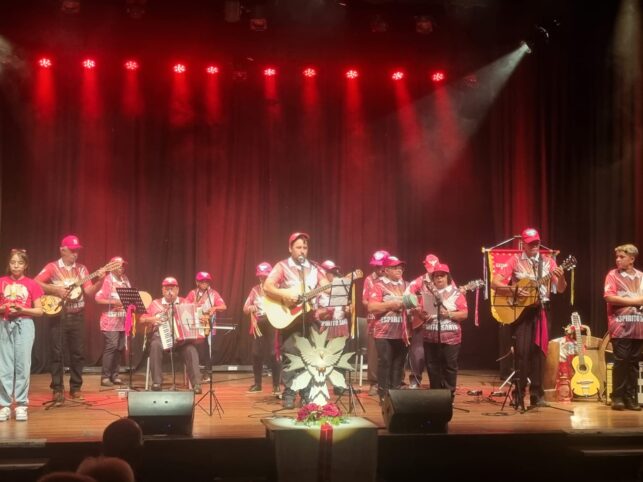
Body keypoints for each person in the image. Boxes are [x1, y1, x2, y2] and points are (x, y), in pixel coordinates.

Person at [491, 227, 567, 408]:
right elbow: (494, 283)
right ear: (523, 244)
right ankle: (518, 393)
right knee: (522, 353)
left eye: (537, 243)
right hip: (522, 312)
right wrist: (514, 290)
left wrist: (561, 276)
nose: (534, 246)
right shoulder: (515, 260)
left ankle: (537, 394)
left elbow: (561, 289)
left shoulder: (548, 262)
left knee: (539, 353)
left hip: (542, 310)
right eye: (531, 243)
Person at [35, 235, 106, 405]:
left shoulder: (82, 269)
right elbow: (35, 283)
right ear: (62, 250)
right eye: (72, 251)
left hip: (77, 316)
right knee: (57, 353)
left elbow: (89, 292)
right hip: (58, 315)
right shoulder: (52, 267)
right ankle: (57, 389)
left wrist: (101, 280)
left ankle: (75, 388)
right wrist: (55, 290)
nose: (75, 254)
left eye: (77, 251)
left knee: (78, 354)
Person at [263, 232, 328, 409]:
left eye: (305, 247)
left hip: (309, 317)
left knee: (310, 356)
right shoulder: (282, 266)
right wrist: (285, 295)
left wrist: (338, 284)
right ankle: (289, 393)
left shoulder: (314, 267)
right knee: (291, 355)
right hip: (290, 318)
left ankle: (306, 393)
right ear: (290, 248)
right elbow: (267, 286)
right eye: (298, 247)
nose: (302, 251)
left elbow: (326, 286)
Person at [0, 249, 44, 422]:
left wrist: (23, 309)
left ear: (25, 265)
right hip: (4, 323)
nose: (16, 266)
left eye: (20, 263)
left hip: (24, 324)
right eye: (13, 262)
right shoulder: (2, 282)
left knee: (22, 365)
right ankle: (4, 405)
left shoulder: (32, 284)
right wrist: (3, 308)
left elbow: (40, 311)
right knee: (4, 365)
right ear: (8, 264)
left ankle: (21, 404)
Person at [139, 277, 203, 394]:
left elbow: (196, 318)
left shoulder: (185, 303)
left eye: (172, 288)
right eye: (167, 289)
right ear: (162, 290)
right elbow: (142, 319)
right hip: (161, 338)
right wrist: (153, 319)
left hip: (181, 342)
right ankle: (157, 382)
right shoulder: (155, 304)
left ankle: (196, 384)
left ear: (177, 290)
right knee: (155, 345)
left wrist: (200, 319)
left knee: (191, 350)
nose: (170, 291)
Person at [417, 263, 468, 397]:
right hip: (430, 336)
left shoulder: (456, 293)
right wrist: (423, 315)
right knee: (432, 366)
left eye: (442, 276)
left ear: (448, 278)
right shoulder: (427, 294)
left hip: (451, 337)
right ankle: (436, 396)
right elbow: (421, 312)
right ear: (433, 279)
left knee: (449, 366)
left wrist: (449, 314)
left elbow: (464, 314)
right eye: (436, 276)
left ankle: (448, 396)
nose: (439, 278)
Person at [603, 243, 643, 411]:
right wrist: (636, 301)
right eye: (617, 257)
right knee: (621, 361)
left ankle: (630, 397)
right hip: (620, 325)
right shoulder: (613, 275)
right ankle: (617, 397)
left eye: (622, 257)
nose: (618, 260)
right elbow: (609, 297)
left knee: (634, 363)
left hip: (639, 326)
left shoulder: (641, 277)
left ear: (631, 259)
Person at [366, 255, 409, 402]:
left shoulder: (407, 286)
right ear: (386, 270)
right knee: (385, 362)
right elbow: (372, 307)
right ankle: (383, 395)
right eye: (395, 267)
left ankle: (395, 394)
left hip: (402, 332)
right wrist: (390, 305)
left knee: (399, 364)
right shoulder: (378, 285)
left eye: (401, 267)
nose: (399, 270)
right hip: (383, 332)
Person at [243, 262, 281, 394]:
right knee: (256, 353)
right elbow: (245, 308)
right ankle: (257, 384)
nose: (263, 278)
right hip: (259, 322)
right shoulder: (255, 290)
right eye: (261, 276)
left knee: (274, 353)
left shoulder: (277, 288)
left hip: (273, 322)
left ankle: (276, 385)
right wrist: (251, 307)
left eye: (265, 276)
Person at [405, 253, 441, 388]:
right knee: (418, 352)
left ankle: (437, 382)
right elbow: (406, 296)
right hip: (421, 319)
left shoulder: (445, 279)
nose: (433, 273)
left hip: (438, 319)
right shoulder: (419, 281)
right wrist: (416, 307)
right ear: (425, 266)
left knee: (437, 352)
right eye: (430, 269)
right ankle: (415, 379)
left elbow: (453, 294)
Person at [184, 271, 227, 383]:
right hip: (195, 324)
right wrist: (193, 305)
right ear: (197, 282)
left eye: (207, 281)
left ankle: (207, 372)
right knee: (194, 348)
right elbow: (184, 306)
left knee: (208, 348)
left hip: (209, 324)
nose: (204, 283)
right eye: (202, 281)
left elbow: (223, 306)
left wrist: (215, 308)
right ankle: (193, 372)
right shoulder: (192, 293)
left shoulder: (213, 293)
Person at [95, 257, 130, 387]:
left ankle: (115, 375)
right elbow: (98, 299)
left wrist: (126, 304)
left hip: (122, 320)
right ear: (112, 266)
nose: (121, 268)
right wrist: (114, 302)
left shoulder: (125, 279)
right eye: (119, 265)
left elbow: (129, 297)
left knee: (120, 348)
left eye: (123, 265)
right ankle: (105, 377)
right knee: (112, 346)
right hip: (110, 321)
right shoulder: (107, 280)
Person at [362, 250, 390, 396]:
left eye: (381, 266)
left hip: (392, 322)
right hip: (374, 320)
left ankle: (394, 381)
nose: (379, 269)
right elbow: (364, 300)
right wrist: (377, 305)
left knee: (391, 352)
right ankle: (374, 383)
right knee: (374, 353)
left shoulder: (393, 279)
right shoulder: (369, 279)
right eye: (376, 266)